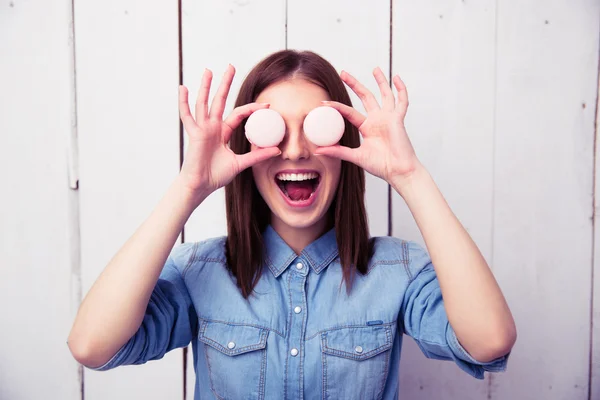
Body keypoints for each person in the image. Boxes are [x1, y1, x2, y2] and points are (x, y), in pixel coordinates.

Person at [67, 50, 516, 399]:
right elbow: (92, 345)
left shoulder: (396, 270)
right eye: (274, 129)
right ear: (247, 146)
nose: (296, 150)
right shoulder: (201, 272)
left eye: (316, 126)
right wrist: (189, 186)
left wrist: (410, 176)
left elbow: (489, 340)